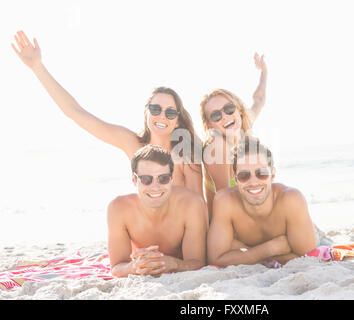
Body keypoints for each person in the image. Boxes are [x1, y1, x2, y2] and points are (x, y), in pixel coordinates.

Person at [11, 30, 204, 198]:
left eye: (170, 112)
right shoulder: (133, 144)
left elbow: (198, 207)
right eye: (155, 109)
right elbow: (75, 112)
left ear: (178, 120)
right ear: (146, 113)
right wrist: (37, 67)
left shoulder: (186, 154)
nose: (161, 116)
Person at [207, 136, 330, 267]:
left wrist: (245, 249)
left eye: (261, 173)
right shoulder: (225, 202)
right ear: (236, 179)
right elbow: (216, 259)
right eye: (244, 175)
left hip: (309, 230)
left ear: (272, 175)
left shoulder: (291, 200)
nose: (253, 182)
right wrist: (270, 248)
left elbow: (307, 258)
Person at [107, 145, 207, 277]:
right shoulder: (119, 208)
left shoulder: (190, 204)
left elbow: (198, 263)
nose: (155, 187)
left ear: (171, 179)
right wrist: (134, 267)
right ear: (134, 180)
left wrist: (173, 264)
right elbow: (116, 267)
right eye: (146, 179)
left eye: (163, 178)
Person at [200, 53, 268, 217]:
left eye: (229, 109)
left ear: (239, 109)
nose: (225, 116)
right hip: (227, 225)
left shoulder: (244, 130)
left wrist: (263, 70)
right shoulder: (217, 146)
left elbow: (259, 100)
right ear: (210, 124)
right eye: (216, 115)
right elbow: (226, 201)